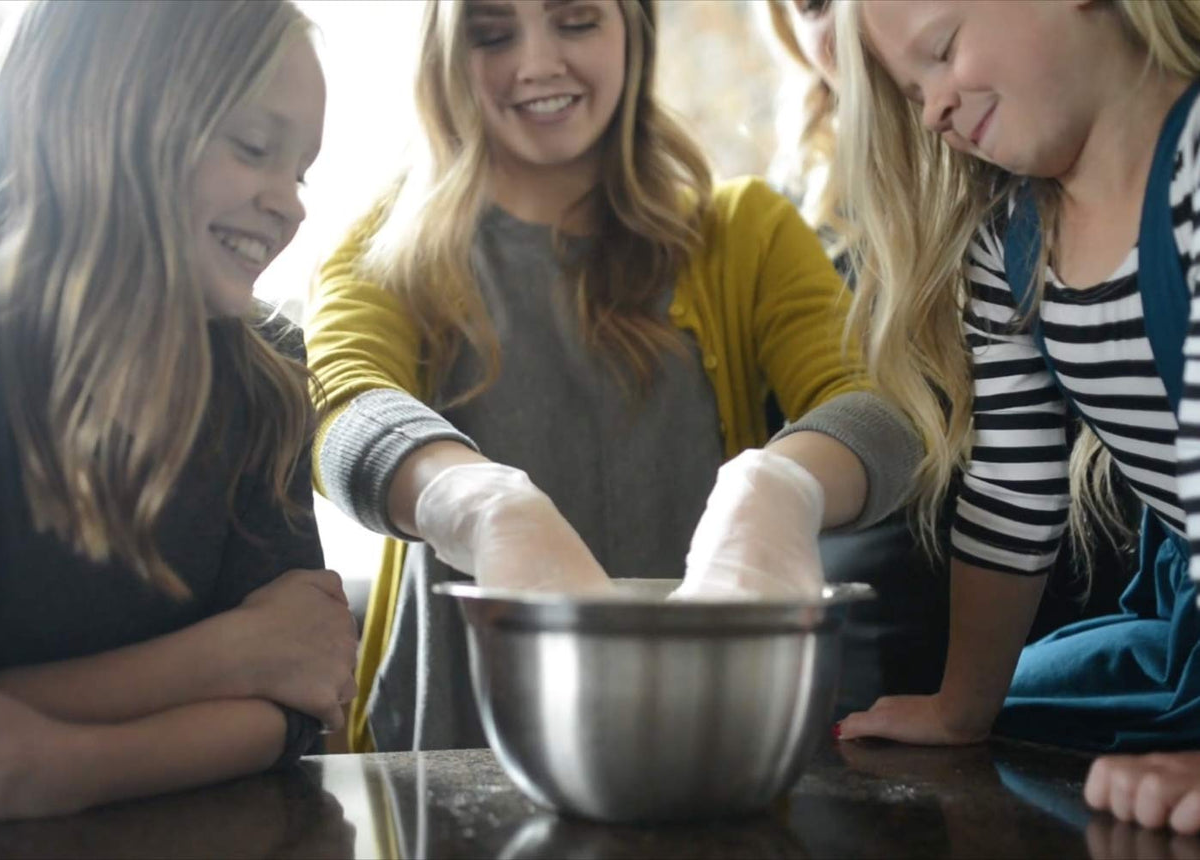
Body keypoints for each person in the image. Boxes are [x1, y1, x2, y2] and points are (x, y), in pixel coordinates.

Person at [306, 0, 922, 753]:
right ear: (443, 58)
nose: (537, 63)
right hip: (452, 744)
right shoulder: (383, 254)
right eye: (493, 34)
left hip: (707, 735)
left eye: (575, 21)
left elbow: (876, 409)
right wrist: (480, 504)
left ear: (634, 28)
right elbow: (340, 406)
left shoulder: (744, 233)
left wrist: (779, 489)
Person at [828, 0, 1200, 835]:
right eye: (911, 87)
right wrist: (963, 708)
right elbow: (1012, 487)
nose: (933, 109)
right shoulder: (1013, 238)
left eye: (944, 51)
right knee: (1026, 700)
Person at [0, 0, 357, 821]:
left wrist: (54, 766)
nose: (292, 205)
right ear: (109, 114)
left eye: (300, 171)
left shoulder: (267, 375)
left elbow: (301, 693)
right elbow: (267, 666)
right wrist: (231, 654)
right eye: (254, 149)